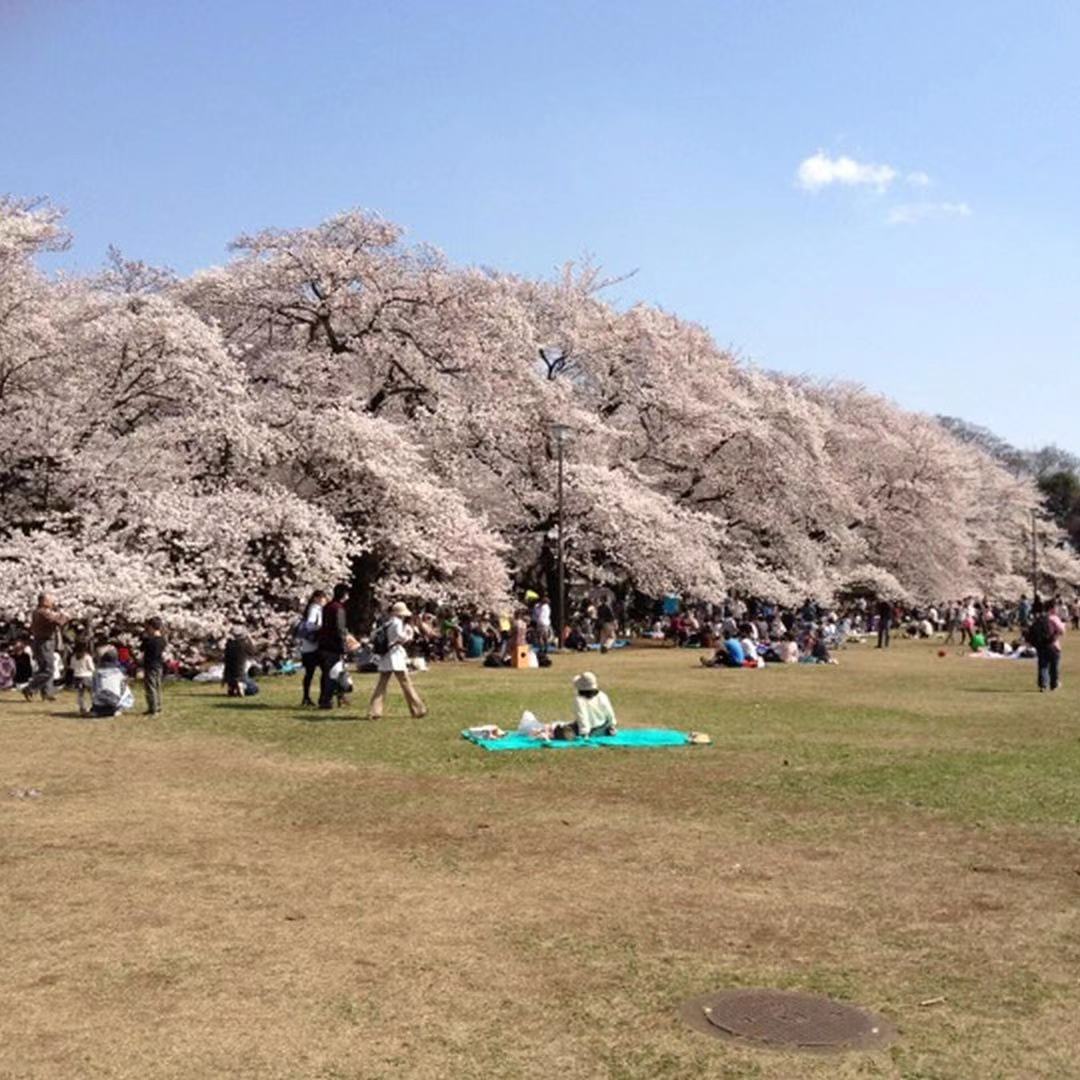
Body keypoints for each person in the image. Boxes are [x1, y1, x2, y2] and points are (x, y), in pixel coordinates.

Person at [368, 601, 427, 719]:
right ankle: (418, 709)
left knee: (381, 685)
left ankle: (374, 711)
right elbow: (400, 637)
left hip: (386, 656)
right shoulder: (398, 623)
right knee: (406, 683)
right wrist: (408, 635)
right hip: (395, 655)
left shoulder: (388, 622)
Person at [24, 593, 69, 701]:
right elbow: (59, 621)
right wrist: (64, 616)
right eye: (50, 600)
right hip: (44, 642)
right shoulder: (42, 612)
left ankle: (47, 693)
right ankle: (30, 688)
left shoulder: (39, 612)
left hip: (43, 642)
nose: (52, 602)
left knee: (45, 668)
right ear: (43, 601)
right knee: (48, 669)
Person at [296, 589, 327, 706]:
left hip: (308, 647)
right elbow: (310, 624)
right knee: (323, 671)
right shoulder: (315, 608)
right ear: (317, 598)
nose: (325, 600)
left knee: (309, 673)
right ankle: (313, 697)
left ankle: (306, 697)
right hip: (313, 646)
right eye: (323, 598)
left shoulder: (312, 608)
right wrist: (321, 629)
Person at [1028, 599, 1065, 692]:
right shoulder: (1054, 618)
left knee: (1043, 666)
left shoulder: (1040, 618)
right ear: (1052, 608)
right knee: (1054, 666)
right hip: (1053, 645)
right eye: (1056, 607)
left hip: (1041, 645)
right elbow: (1062, 631)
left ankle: (1043, 685)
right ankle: (1054, 684)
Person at [90, 647, 134, 717]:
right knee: (125, 688)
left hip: (99, 705)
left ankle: (97, 710)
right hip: (114, 703)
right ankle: (117, 709)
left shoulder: (97, 673)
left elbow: (93, 689)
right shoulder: (119, 672)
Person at [571, 671, 617, 737]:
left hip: (591, 731)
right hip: (604, 726)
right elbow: (609, 712)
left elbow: (582, 716)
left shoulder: (579, 700)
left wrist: (584, 732)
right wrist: (612, 725)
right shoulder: (602, 695)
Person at [141, 617, 166, 715]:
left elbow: (142, 648)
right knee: (157, 685)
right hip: (159, 665)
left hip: (150, 665)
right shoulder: (162, 640)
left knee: (150, 686)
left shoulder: (150, 640)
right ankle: (158, 706)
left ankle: (153, 708)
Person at [70, 639, 95, 716]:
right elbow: (92, 668)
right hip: (87, 676)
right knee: (92, 693)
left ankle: (82, 708)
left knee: (80, 694)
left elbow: (72, 667)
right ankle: (94, 706)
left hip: (77, 676)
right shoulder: (87, 657)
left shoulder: (73, 657)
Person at [223, 630, 250, 697]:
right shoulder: (244, 645)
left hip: (228, 675)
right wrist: (249, 639)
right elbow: (253, 651)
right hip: (240, 674)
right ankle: (241, 685)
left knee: (233, 676)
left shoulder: (228, 646)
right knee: (254, 688)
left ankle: (232, 687)